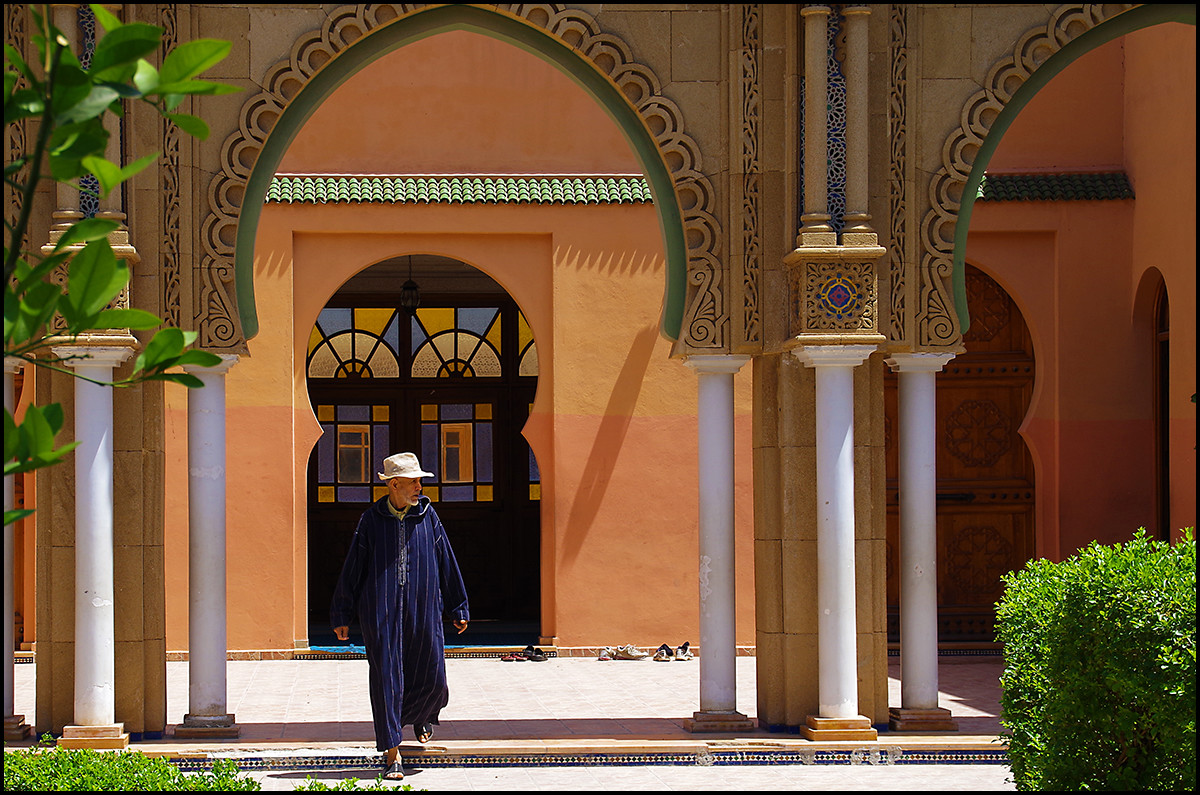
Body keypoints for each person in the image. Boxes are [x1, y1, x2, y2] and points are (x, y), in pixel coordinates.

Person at [330, 452, 470, 781]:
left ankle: (421, 714)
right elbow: (354, 568)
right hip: (381, 610)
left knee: (434, 676)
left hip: (424, 608)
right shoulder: (371, 520)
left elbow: (446, 559)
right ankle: (392, 752)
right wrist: (342, 613)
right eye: (414, 482)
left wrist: (458, 605)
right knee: (386, 679)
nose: (420, 487)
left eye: (420, 481)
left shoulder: (428, 516)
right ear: (394, 485)